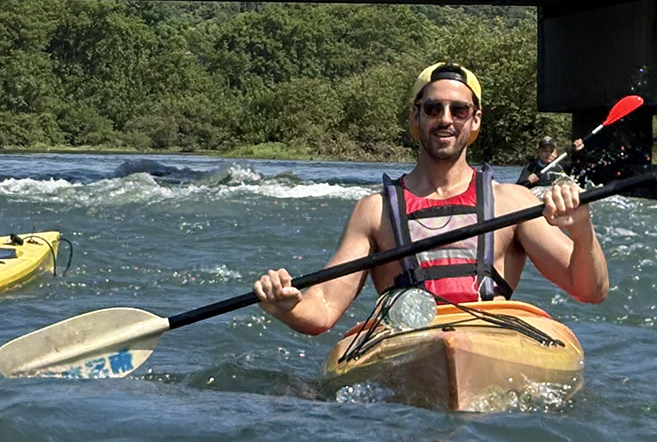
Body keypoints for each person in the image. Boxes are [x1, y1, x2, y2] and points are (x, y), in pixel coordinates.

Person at [252, 63, 609, 334]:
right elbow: (324, 309)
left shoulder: (513, 203)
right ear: (416, 115)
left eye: (459, 110)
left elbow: (590, 290)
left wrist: (582, 230)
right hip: (407, 343)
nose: (446, 120)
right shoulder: (374, 212)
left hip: (489, 338)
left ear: (475, 120)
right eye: (433, 108)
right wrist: (287, 306)